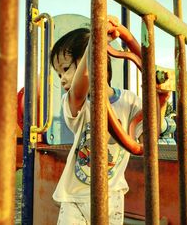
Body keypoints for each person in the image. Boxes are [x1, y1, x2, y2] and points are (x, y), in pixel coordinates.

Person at [49, 16, 146, 225]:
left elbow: (147, 136)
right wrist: (97, 42)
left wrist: (161, 101)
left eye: (65, 69)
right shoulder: (76, 103)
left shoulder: (129, 101)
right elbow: (80, 86)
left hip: (112, 197)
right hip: (74, 198)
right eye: (58, 74)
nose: (62, 78)